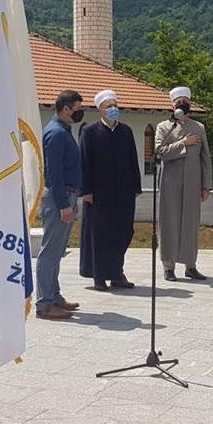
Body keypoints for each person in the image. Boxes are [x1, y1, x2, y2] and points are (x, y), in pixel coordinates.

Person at [79, 89, 142, 291]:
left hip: (123, 192)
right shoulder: (90, 132)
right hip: (99, 194)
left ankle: (117, 273)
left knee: (122, 232)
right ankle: (99, 276)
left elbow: (133, 160)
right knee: (100, 234)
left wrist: (136, 186)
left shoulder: (126, 131)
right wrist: (86, 190)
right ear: (100, 110)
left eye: (115, 105)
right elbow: (84, 163)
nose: (113, 109)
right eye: (109, 106)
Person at [35, 90, 85, 320]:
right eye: (77, 108)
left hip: (68, 195)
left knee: (58, 251)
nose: (79, 112)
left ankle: (54, 296)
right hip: (59, 197)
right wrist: (64, 204)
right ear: (66, 109)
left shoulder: (65, 130)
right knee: (50, 252)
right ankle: (44, 304)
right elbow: (53, 173)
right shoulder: (55, 134)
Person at [154, 86, 212, 281]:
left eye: (185, 102)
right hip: (170, 182)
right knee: (168, 222)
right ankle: (168, 266)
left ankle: (190, 265)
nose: (182, 106)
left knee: (190, 223)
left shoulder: (199, 127)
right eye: (178, 103)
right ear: (172, 105)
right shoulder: (164, 127)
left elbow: (206, 158)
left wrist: (206, 185)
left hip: (193, 182)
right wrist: (183, 143)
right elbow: (160, 151)